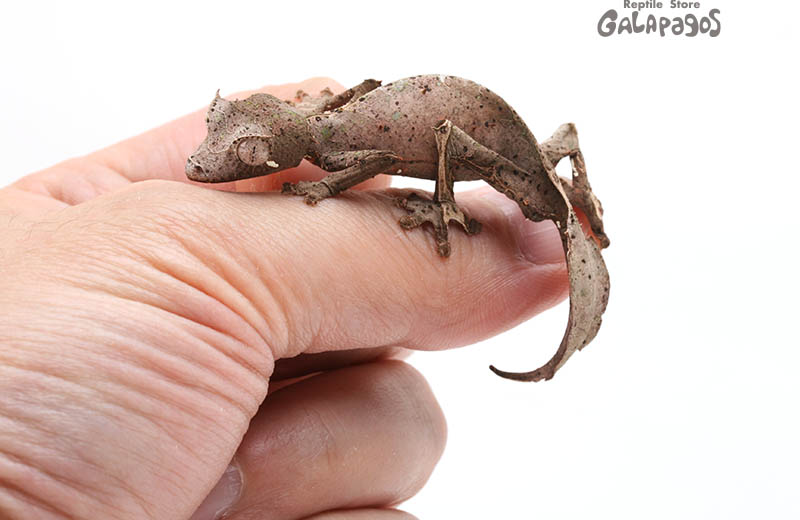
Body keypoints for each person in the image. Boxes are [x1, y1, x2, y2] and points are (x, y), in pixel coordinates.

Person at [0, 79, 569, 520]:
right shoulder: (322, 131)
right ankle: (568, 173)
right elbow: (366, 102)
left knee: (522, 188)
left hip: (473, 143)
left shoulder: (334, 151)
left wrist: (337, 188)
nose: (204, 163)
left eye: (249, 151)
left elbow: (374, 160)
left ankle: (542, 199)